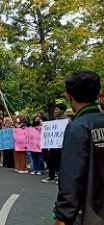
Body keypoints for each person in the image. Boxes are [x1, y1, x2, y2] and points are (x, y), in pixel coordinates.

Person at [53, 70, 104, 225]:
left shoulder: (78, 127)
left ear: (69, 95)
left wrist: (62, 216)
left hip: (89, 215)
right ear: (97, 94)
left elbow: (72, 177)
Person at [42, 104, 70, 183]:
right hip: (53, 145)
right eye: (55, 109)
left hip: (62, 145)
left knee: (61, 162)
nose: (55, 111)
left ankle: (60, 177)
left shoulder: (68, 120)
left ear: (62, 110)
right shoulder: (54, 120)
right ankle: (51, 177)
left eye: (57, 109)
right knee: (51, 160)